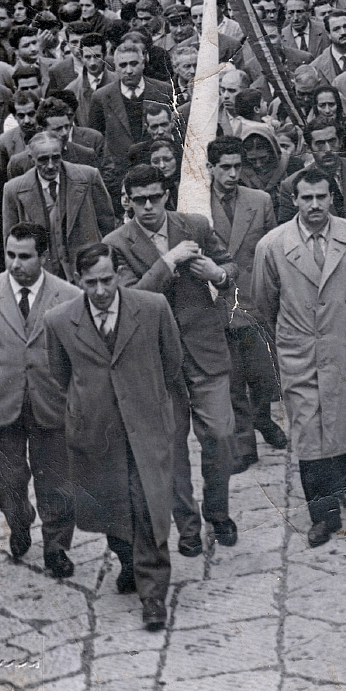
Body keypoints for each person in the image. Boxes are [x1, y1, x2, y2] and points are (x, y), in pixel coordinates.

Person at [44, 243, 184, 631]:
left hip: (146, 428)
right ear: (77, 281)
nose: (101, 290)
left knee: (148, 509)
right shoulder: (58, 320)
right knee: (110, 509)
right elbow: (60, 375)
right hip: (95, 434)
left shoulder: (153, 307)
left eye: (108, 280)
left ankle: (154, 595)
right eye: (91, 283)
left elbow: (172, 363)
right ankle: (129, 560)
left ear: (120, 274)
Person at [105, 165, 239, 554]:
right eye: (139, 200)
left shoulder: (195, 225)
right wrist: (168, 262)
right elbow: (129, 300)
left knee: (220, 435)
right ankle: (188, 526)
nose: (148, 207)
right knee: (172, 447)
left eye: (155, 197)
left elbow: (230, 266)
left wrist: (217, 273)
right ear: (127, 201)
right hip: (157, 362)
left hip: (205, 350)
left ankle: (218, 511)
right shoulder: (116, 243)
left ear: (167, 194)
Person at [252, 167, 346, 547]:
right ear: (294, 200)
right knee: (309, 436)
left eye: (321, 197)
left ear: (332, 198)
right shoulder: (273, 246)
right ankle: (322, 515)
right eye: (306, 197)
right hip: (302, 352)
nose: (314, 205)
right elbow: (265, 301)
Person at [0, 223, 81, 579]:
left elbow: (78, 353)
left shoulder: (70, 296)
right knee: (7, 480)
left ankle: (57, 547)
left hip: (52, 402)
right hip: (0, 401)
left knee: (58, 482)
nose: (15, 263)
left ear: (43, 257)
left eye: (25, 256)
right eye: (11, 255)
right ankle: (18, 521)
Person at [206, 137, 286, 471]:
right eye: (225, 167)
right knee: (232, 377)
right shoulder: (195, 206)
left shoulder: (260, 201)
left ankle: (263, 420)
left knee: (263, 374)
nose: (233, 173)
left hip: (253, 300)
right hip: (217, 303)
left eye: (238, 166)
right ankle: (244, 444)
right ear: (210, 168)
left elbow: (271, 251)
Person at [1, 130, 115, 282]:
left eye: (56, 158)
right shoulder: (13, 189)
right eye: (43, 159)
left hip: (86, 271)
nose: (50, 166)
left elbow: (107, 224)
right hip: (43, 275)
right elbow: (10, 241)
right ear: (31, 158)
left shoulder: (88, 177)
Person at [84, 41, 173, 192]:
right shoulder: (101, 97)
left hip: (159, 171)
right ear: (116, 67)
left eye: (134, 64)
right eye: (123, 65)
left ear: (143, 63)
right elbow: (95, 138)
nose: (129, 70)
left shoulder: (164, 90)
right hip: (120, 176)